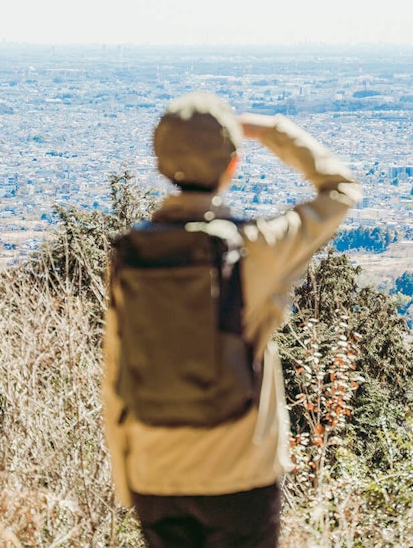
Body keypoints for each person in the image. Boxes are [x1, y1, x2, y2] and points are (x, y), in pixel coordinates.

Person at [103, 92, 362, 547]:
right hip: (239, 469)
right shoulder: (254, 249)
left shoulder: (129, 255)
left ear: (161, 163)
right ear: (232, 166)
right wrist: (272, 132)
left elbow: (115, 370)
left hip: (154, 472)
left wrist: (127, 478)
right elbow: (340, 189)